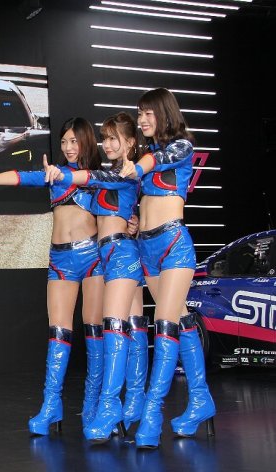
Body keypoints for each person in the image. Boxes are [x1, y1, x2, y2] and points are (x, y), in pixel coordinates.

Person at [0, 117, 106, 435]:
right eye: (64, 142)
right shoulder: (55, 174)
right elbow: (23, 177)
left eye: (74, 141)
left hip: (93, 257)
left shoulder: (98, 176)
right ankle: (51, 405)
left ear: (86, 141)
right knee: (58, 332)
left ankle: (93, 405)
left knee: (94, 330)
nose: (68, 147)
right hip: (60, 259)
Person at [121, 87, 216, 449]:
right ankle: (200, 399)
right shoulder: (146, 154)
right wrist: (135, 221)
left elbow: (156, 161)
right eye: (139, 113)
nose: (142, 119)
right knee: (182, 319)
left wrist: (136, 167)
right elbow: (145, 193)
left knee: (165, 324)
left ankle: (151, 415)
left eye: (148, 113)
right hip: (147, 248)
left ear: (164, 113)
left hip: (174, 245)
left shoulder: (181, 147)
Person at [45, 111, 145, 443]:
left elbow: (135, 198)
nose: (108, 144)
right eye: (106, 138)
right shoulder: (104, 174)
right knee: (121, 327)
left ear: (130, 142)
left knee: (121, 327)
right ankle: (108, 407)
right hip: (102, 255)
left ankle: (123, 405)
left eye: (114, 138)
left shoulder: (126, 173)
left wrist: (136, 223)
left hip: (119, 255)